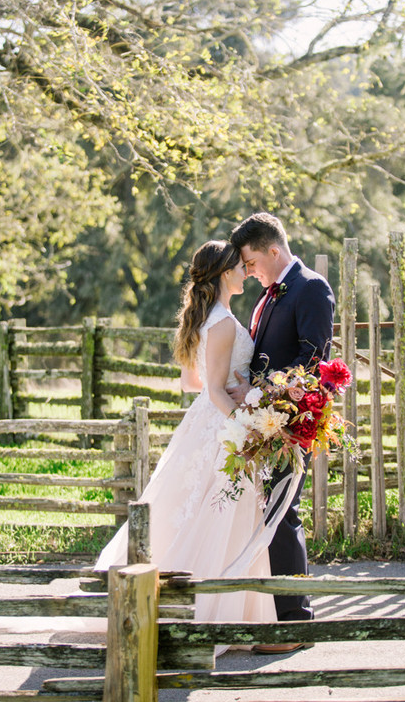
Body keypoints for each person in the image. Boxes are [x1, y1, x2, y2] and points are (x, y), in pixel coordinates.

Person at [94, 239, 277, 639]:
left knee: (199, 513)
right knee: (218, 515)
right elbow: (211, 389)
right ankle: (215, 616)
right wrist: (246, 424)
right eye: (239, 266)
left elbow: (191, 381)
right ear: (224, 273)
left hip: (205, 424)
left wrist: (238, 385)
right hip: (224, 427)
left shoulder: (207, 317)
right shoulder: (225, 321)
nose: (246, 271)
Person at [229, 212, 335, 654]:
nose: (248, 271)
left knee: (282, 512)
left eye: (251, 262)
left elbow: (313, 366)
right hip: (264, 424)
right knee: (268, 512)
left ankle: (295, 624)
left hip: (290, 424)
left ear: (274, 251)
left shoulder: (311, 288)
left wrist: (262, 393)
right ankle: (277, 615)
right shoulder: (270, 296)